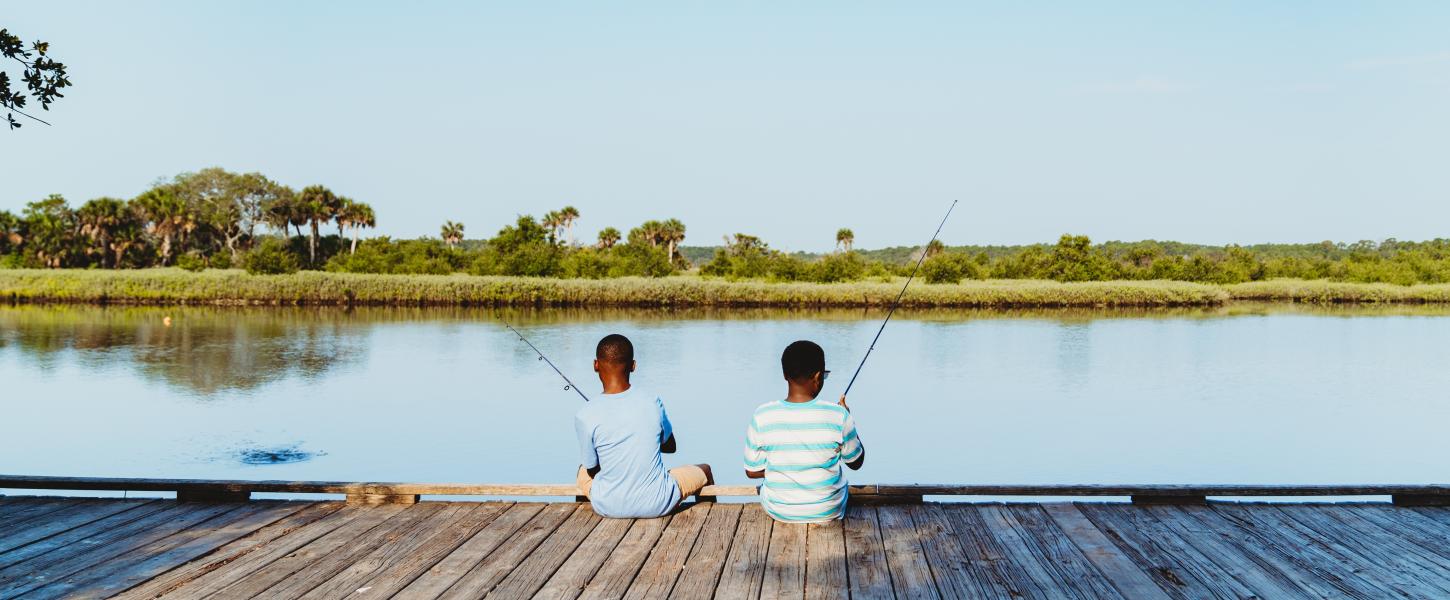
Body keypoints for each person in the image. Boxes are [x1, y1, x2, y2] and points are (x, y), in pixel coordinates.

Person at [575, 333, 713, 518]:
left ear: (596, 365)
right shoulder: (652, 402)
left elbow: (592, 470)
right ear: (633, 366)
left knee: (582, 469)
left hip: (607, 506)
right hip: (658, 503)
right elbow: (671, 447)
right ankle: (709, 521)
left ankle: (580, 521)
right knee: (705, 470)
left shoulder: (585, 414)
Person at [743, 340, 866, 523]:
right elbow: (856, 462)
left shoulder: (762, 415)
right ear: (817, 377)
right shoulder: (838, 415)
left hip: (779, 509)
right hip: (827, 510)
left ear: (785, 375)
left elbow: (752, 471)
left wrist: (786, 466)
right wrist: (848, 419)